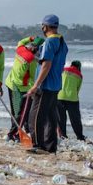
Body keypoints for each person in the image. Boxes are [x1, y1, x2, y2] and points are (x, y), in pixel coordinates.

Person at [26, 14, 68, 153]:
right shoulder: (62, 42)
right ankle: (50, 147)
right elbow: (55, 62)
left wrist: (35, 85)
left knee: (35, 116)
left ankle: (38, 145)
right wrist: (37, 54)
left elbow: (47, 65)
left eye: (42, 25)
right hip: (55, 84)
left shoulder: (50, 42)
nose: (41, 28)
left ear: (46, 26)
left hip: (46, 85)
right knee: (51, 117)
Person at [3, 35, 43, 141]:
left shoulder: (20, 49)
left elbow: (21, 41)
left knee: (15, 111)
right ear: (37, 48)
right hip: (22, 88)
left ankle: (13, 133)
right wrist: (35, 89)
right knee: (22, 113)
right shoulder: (31, 60)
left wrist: (30, 38)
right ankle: (14, 134)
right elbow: (32, 76)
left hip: (11, 83)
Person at [58, 60, 86, 141]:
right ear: (79, 67)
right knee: (75, 119)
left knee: (61, 118)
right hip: (72, 98)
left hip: (60, 96)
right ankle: (80, 137)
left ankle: (63, 136)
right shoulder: (79, 75)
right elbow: (78, 89)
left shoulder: (63, 70)